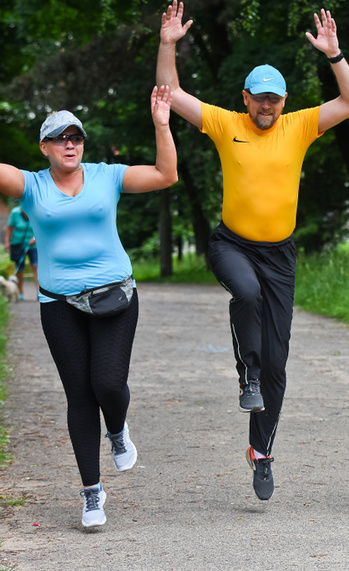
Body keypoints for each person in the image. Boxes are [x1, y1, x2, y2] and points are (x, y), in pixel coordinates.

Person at [157, 0, 349, 501]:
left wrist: (335, 57)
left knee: (280, 364)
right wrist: (167, 45)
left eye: (274, 100)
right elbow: (172, 92)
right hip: (232, 245)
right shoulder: (227, 124)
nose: (266, 107)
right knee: (245, 295)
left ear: (284, 100)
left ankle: (262, 451)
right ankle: (245, 371)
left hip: (280, 255)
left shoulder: (300, 125)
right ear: (245, 98)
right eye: (259, 99)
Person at [0, 87, 179, 528]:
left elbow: (165, 174)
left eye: (76, 137)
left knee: (108, 383)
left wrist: (161, 124)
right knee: (79, 394)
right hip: (58, 304)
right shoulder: (32, 185)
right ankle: (91, 494)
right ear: (45, 147)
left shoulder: (108, 176)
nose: (69, 144)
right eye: (59, 138)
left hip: (115, 296)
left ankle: (117, 431)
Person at [5, 205, 38, 300]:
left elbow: (40, 228)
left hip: (32, 244)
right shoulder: (15, 213)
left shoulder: (35, 212)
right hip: (18, 244)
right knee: (19, 269)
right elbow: (9, 228)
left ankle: (39, 292)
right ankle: (20, 292)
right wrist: (7, 243)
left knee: (36, 267)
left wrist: (35, 238)